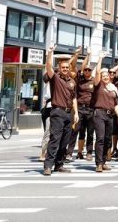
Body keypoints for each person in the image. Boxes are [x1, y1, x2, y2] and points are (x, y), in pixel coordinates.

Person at [43, 46, 80, 176]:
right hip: (57, 112)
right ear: (59, 68)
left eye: (67, 67)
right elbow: (48, 66)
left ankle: (59, 165)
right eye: (63, 67)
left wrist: (76, 113)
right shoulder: (55, 78)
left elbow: (74, 97)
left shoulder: (72, 81)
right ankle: (48, 166)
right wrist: (50, 52)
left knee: (65, 142)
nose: (65, 69)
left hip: (69, 113)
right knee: (55, 140)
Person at [91, 51, 118, 173]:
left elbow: (115, 104)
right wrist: (99, 59)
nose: (105, 76)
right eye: (103, 75)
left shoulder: (113, 88)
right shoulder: (98, 85)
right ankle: (98, 163)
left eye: (106, 75)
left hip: (110, 115)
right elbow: (97, 75)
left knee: (107, 139)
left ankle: (104, 161)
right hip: (99, 113)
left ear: (110, 76)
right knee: (100, 139)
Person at [65, 50, 96, 161]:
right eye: (86, 70)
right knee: (75, 131)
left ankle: (89, 152)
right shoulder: (79, 79)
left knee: (90, 133)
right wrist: (82, 55)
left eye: (89, 70)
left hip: (91, 110)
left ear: (91, 71)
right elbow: (74, 66)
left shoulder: (94, 80)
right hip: (80, 109)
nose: (87, 71)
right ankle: (69, 153)